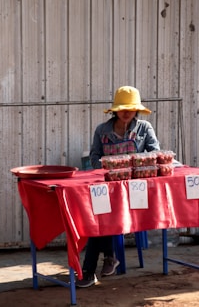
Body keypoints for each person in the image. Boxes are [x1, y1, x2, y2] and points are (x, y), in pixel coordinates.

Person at [76, 85, 160, 288]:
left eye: (130, 108)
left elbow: (155, 153)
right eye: (122, 108)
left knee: (104, 216)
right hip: (107, 186)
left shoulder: (144, 128)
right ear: (115, 110)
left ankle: (91, 269)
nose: (126, 112)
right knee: (98, 217)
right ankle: (107, 258)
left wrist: (135, 165)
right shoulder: (102, 130)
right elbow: (94, 156)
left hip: (135, 191)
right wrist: (107, 168)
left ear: (136, 110)